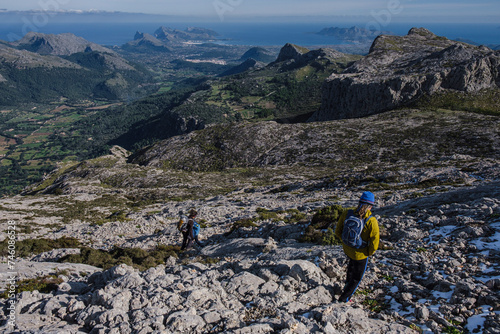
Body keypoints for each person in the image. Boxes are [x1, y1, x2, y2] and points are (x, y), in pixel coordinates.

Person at [335, 191, 379, 303]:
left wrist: (346, 243)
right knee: (357, 278)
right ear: (371, 206)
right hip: (361, 253)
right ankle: (345, 298)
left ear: (359, 202)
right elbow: (374, 242)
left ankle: (345, 287)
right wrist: (368, 252)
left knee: (351, 268)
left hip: (348, 249)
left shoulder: (347, 213)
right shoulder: (371, 221)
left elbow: (338, 231)